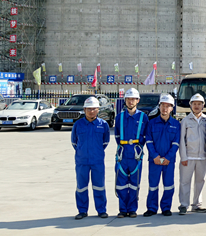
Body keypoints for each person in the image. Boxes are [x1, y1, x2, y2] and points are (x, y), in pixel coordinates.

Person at [71, 96, 110, 219]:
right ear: (84, 110)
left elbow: (105, 142)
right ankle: (82, 210)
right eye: (89, 109)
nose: (91, 111)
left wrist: (96, 152)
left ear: (98, 110)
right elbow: (74, 142)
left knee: (99, 186)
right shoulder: (78, 124)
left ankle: (101, 210)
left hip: (97, 161)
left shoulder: (103, 125)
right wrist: (82, 152)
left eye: (94, 109)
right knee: (81, 187)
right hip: (82, 161)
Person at [144, 93, 180, 217]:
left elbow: (176, 143)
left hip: (169, 161)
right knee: (153, 185)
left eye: (168, 106)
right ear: (159, 107)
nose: (165, 108)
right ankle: (152, 208)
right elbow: (149, 141)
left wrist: (168, 157)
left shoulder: (176, 124)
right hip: (154, 160)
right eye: (163, 105)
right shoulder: (151, 123)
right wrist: (155, 156)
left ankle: (166, 207)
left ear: (172, 108)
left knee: (168, 185)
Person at [114, 88, 148, 218]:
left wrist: (138, 148)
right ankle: (123, 209)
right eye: (128, 99)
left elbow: (145, 135)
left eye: (133, 99)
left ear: (138, 100)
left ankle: (132, 209)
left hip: (135, 155)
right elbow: (117, 135)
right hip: (123, 154)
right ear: (125, 100)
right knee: (121, 183)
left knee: (134, 183)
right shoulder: (120, 117)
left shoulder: (143, 117)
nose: (131, 101)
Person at [178, 93, 206, 215]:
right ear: (190, 105)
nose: (196, 106)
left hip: (202, 156)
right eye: (194, 104)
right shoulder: (185, 121)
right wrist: (183, 157)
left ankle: (196, 205)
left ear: (203, 105)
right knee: (185, 181)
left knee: (200, 181)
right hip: (188, 157)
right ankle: (184, 205)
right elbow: (181, 140)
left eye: (199, 104)